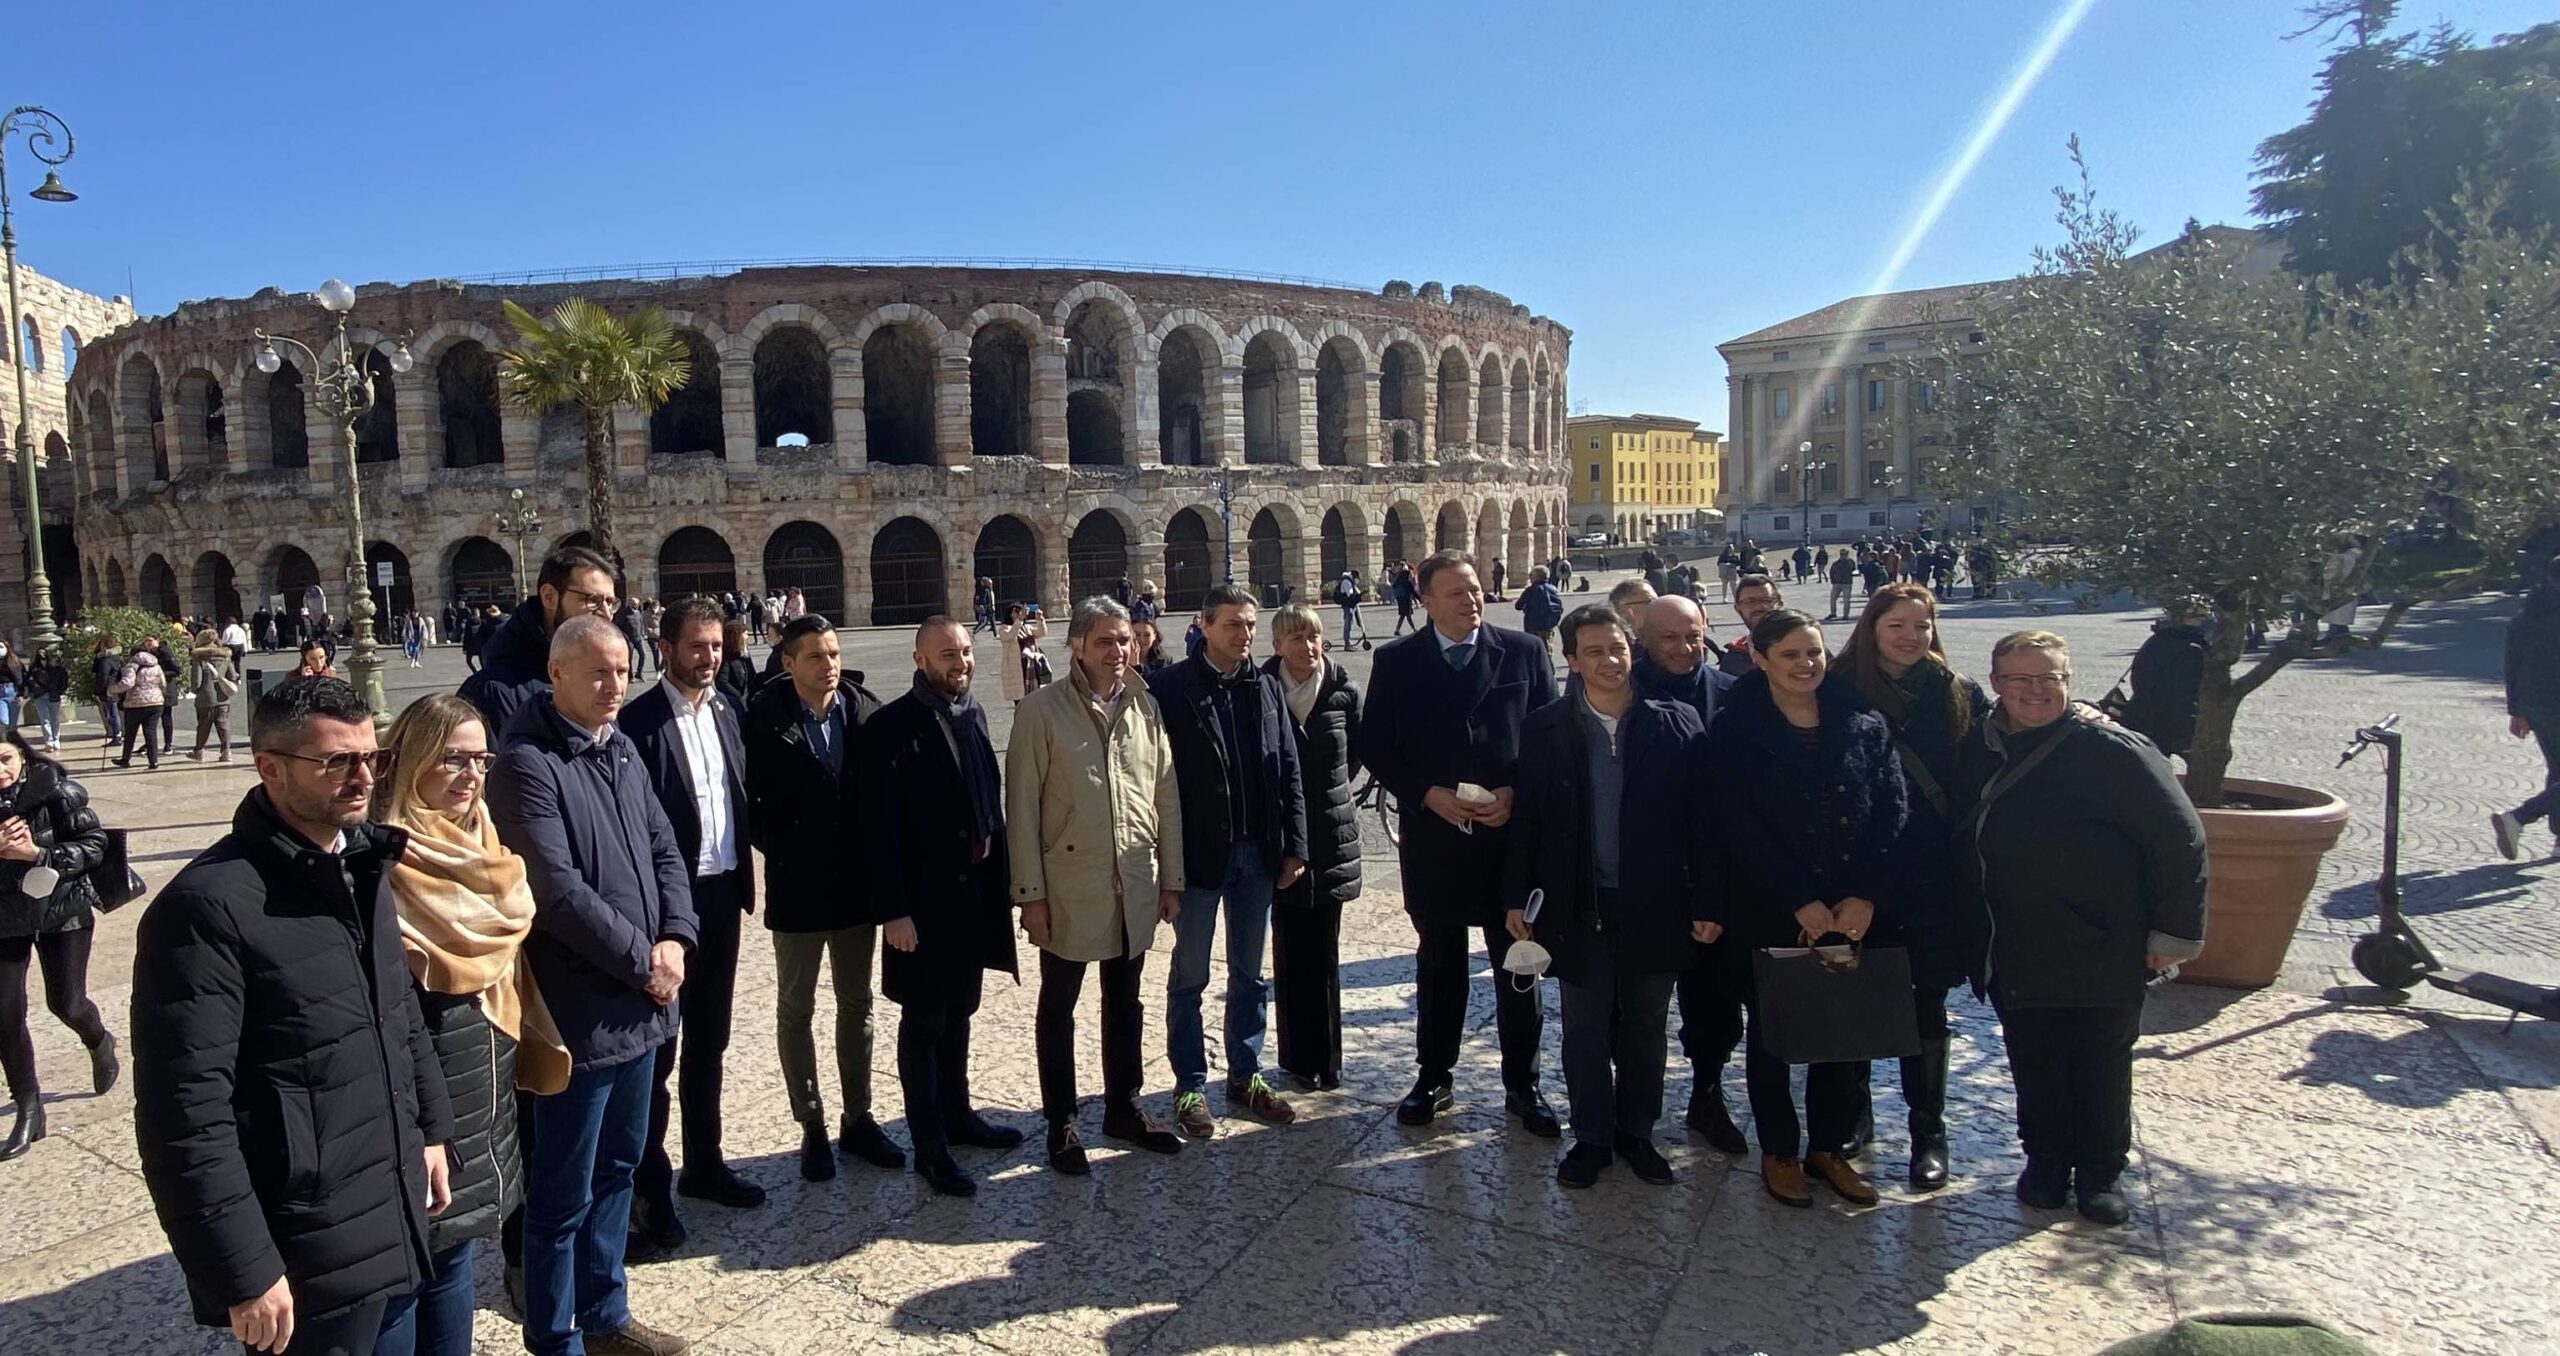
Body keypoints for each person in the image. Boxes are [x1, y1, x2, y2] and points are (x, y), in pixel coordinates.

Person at [134, 678, 453, 1356]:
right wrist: (243, 1269)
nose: (363, 777)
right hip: (305, 1246)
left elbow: (397, 1013)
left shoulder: (358, 865)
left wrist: (431, 1131)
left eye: (373, 758)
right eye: (337, 761)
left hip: (389, 1213)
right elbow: (184, 1117)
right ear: (270, 768)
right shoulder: (208, 909)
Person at [485, 616, 697, 1356]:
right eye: (599, 672)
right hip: (580, 1017)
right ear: (558, 674)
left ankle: (606, 1315)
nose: (616, 685)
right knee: (561, 1191)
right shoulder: (525, 765)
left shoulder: (622, 748)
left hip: (643, 1008)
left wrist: (677, 938)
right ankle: (554, 1334)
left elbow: (666, 847)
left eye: (622, 670)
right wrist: (646, 961)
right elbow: (558, 892)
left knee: (617, 1171)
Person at [1958, 630, 2207, 1226]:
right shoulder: (1979, 745)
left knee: (2100, 1061)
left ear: (2069, 682)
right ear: (1996, 684)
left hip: (2103, 941)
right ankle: (2044, 1162)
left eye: (2049, 679)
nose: (2034, 691)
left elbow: (2180, 838)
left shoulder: (2112, 748)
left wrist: (2173, 935)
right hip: (2015, 940)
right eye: (2020, 679)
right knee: (2034, 1059)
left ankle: (2100, 1172)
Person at [372, 694, 571, 1356]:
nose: (471, 775)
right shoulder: (380, 860)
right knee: (405, 1274)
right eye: (452, 759)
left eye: (480, 759)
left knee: (456, 1255)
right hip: (417, 1101)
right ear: (411, 762)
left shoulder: (484, 840)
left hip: (486, 1088)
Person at [1505, 605, 1718, 1189]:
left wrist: (1707, 902)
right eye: (1593, 651)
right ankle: (1592, 1136)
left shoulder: (1675, 723)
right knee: (1585, 1025)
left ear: (1634, 652)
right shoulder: (1546, 728)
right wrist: (1518, 897)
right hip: (1580, 902)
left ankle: (1638, 1132)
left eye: (1617, 648)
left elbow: (1704, 824)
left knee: (1647, 1024)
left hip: (1655, 902)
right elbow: (1528, 822)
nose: (1609, 661)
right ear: (1571, 661)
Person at [1705, 609, 1906, 1209]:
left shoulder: (1862, 720)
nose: (1805, 665)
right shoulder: (1735, 729)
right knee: (1776, 1036)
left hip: (1853, 910)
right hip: (1773, 907)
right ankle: (1780, 1149)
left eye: (1813, 652)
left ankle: (1830, 1147)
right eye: (1790, 655)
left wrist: (1865, 895)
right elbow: (1736, 826)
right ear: (1761, 659)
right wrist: (1799, 899)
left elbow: (1891, 810)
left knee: (1842, 1035)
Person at [1355, 550, 1561, 1134]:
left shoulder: (1524, 651)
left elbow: (1549, 735)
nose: (1471, 600)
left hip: (1508, 839)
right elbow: (1377, 745)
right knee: (1439, 963)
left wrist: (1515, 793)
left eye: (1474, 589)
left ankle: (1524, 1084)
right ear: (1425, 601)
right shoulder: (1397, 661)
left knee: (1518, 965)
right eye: (1456, 593)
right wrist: (1427, 794)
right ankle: (1434, 1076)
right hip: (1436, 838)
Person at [1005, 596, 1187, 1173]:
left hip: (1131, 880)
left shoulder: (1144, 707)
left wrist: (1171, 878)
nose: (1118, 651)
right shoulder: (1040, 711)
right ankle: (1061, 1118)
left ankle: (1123, 1104)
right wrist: (1030, 895)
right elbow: (1024, 808)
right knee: (1059, 1002)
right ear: (1077, 646)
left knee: (1125, 998)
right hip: (1068, 884)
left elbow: (1166, 796)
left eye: (1125, 640)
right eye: (1105, 641)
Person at [1829, 583, 1992, 1190]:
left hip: (1930, 869)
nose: (1910, 637)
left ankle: (1929, 1130)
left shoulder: (1958, 693)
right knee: (1856, 993)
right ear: (1872, 628)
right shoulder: (1839, 686)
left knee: (1926, 1000)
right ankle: (1857, 1115)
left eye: (1921, 627)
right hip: (1860, 864)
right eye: (1897, 625)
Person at [857, 617, 1026, 1198]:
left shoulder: (973, 714)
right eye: (946, 654)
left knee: (960, 1011)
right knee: (924, 1022)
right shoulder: (890, 727)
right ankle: (929, 1145)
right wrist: (893, 910)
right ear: (919, 659)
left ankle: (959, 1116)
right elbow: (876, 830)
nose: (960, 663)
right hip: (921, 906)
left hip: (971, 896)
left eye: (964, 651)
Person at [617, 598, 766, 1253]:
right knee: (658, 1054)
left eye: (715, 646)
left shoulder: (729, 711)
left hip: (721, 899)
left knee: (711, 1041)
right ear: (667, 646)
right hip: (663, 915)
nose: (709, 656)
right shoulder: (638, 723)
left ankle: (706, 1163)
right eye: (697, 646)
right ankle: (651, 1187)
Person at [1147, 585, 1310, 1138]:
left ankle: (1246, 1075)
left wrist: (1295, 846)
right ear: (1204, 624)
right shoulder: (1170, 688)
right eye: (1232, 625)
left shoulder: (1263, 687)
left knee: (1249, 974)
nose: (1243, 635)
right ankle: (1190, 1082)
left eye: (1248, 625)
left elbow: (1287, 767)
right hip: (1198, 857)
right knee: (1189, 975)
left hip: (1257, 855)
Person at [746, 613, 902, 1181]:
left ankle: (858, 1118)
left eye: (833, 653)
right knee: (797, 1008)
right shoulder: (762, 716)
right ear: (788, 664)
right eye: (815, 656)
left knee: (857, 1006)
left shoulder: (864, 709)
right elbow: (751, 801)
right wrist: (787, 851)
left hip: (855, 889)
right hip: (797, 890)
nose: (829, 665)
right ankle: (810, 1121)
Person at [1626, 596, 1746, 1153]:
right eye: (1670, 638)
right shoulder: (1621, 694)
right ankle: (1630, 1105)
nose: (1684, 648)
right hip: (1645, 876)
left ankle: (1707, 1091)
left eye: (1693, 636)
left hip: (1718, 874)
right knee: (1636, 1002)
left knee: (1715, 998)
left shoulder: (1733, 693)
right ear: (1643, 638)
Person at [0, 726, 112, 1160]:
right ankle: (29, 1107)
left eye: (6, 758)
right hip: (4, 917)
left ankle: (98, 1039)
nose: (1, 771)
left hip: (61, 910)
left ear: (22, 756)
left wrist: (39, 855)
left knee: (67, 1002)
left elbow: (95, 845)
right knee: (5, 1014)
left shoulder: (58, 790)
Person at [1263, 603, 1362, 1092]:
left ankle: (1329, 1059)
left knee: (1324, 949)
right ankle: (1297, 1059)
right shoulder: (1261, 690)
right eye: (1295, 638)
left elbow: (1355, 757)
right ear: (1277, 644)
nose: (1307, 647)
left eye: (1314, 637)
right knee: (1288, 946)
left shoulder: (1343, 691)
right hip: (1282, 839)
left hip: (1330, 834)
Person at [459, 547, 620, 733]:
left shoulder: (600, 674)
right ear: (549, 597)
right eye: (592, 600)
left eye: (610, 602)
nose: (606, 615)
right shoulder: (491, 691)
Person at [2495, 556, 2560, 860]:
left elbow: (2512, 663)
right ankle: (2519, 817)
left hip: (2535, 704)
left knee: (2558, 769)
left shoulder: (2529, 612)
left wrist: (2516, 710)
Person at [2116, 603, 2209, 762]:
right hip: (2173, 723)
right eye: (2201, 617)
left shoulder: (2155, 641)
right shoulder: (2193, 649)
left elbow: (2139, 679)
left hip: (2141, 717)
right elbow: (2186, 694)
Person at [110, 636, 171, 770]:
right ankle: (153, 761)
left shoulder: (132, 666)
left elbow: (127, 683)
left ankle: (125, 759)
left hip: (135, 703)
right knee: (150, 732)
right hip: (155, 702)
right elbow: (163, 683)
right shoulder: (156, 665)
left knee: (131, 732)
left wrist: (112, 689)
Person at [189, 629, 241, 762]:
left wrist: (194, 690)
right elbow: (233, 676)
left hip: (205, 698)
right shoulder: (225, 656)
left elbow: (197, 681)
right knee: (224, 725)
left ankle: (199, 751)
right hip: (223, 697)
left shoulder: (199, 658)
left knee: (203, 725)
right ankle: (226, 752)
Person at [1002, 602, 1049, 703]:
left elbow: (1041, 633)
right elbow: (1010, 635)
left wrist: (1040, 620)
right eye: (1017, 611)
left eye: (1021, 611)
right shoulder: (1005, 629)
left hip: (1030, 664)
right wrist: (1019, 620)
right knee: (1020, 697)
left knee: (1032, 694)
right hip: (1016, 667)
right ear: (1010, 614)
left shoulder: (1026, 627)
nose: (1020, 613)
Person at [27, 648, 68, 753]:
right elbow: (29, 681)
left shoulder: (56, 667)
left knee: (55, 719)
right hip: (40, 696)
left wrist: (60, 690)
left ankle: (56, 739)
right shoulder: (34, 668)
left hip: (53, 695)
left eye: (43, 652)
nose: (41, 654)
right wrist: (33, 691)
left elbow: (63, 679)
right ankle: (49, 741)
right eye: (39, 652)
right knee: (44, 720)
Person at [1515, 566, 1565, 650]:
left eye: (1531, 575)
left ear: (1536, 577)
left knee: (1533, 650)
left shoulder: (1531, 590)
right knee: (1547, 650)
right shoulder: (1553, 589)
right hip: (1548, 625)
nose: (1530, 578)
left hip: (1533, 625)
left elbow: (1518, 606)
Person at [89, 636, 124, 747]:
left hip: (106, 689)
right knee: (113, 712)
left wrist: (98, 691)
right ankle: (117, 735)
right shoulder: (115, 658)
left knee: (111, 713)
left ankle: (116, 736)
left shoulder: (105, 661)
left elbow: (102, 676)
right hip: (113, 687)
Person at [1332, 569, 1370, 649]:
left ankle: (1349, 642)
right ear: (1354, 575)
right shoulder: (1347, 581)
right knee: (1348, 623)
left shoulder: (1349, 581)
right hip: (1348, 605)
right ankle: (1347, 644)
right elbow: (1349, 595)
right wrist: (1359, 595)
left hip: (1351, 605)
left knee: (1354, 621)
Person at [1388, 560, 1418, 635]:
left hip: (1401, 599)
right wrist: (1420, 599)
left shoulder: (1400, 579)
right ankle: (1413, 629)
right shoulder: (1407, 582)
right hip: (1406, 599)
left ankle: (1398, 629)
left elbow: (1395, 585)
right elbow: (1412, 591)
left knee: (1403, 615)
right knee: (1407, 615)